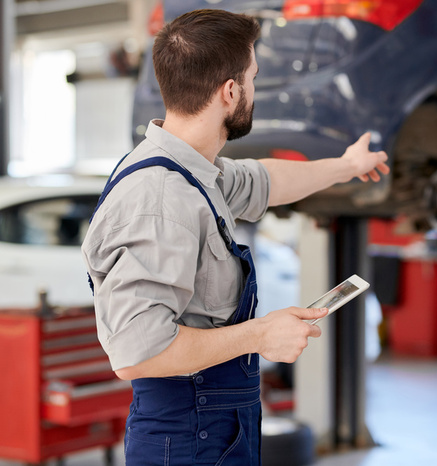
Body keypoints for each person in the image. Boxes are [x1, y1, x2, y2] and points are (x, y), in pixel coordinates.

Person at [81, 9, 389, 466]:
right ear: (230, 92)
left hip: (212, 428)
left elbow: (265, 182)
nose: (254, 90)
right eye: (253, 78)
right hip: (187, 439)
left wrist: (346, 166)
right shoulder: (163, 198)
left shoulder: (189, 168)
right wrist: (260, 335)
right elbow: (136, 354)